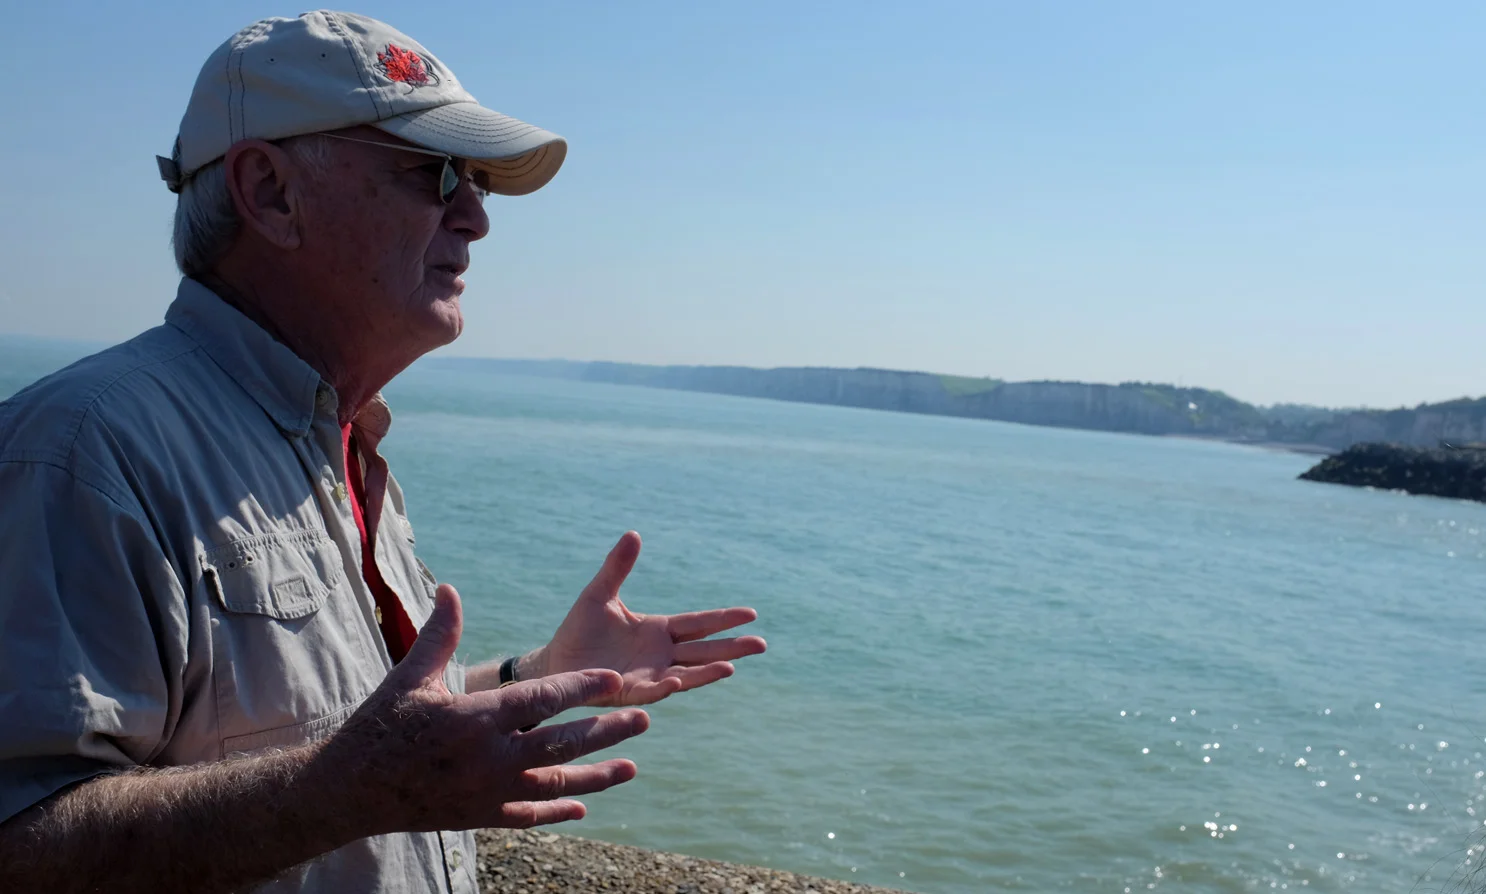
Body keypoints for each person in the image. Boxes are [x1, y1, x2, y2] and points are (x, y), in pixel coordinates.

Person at [0, 11, 766, 894]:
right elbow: (20, 835)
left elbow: (354, 731)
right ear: (271, 192)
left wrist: (540, 675)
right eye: (434, 173)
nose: (475, 218)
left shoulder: (338, 440)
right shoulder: (82, 454)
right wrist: (341, 796)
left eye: (477, 181)